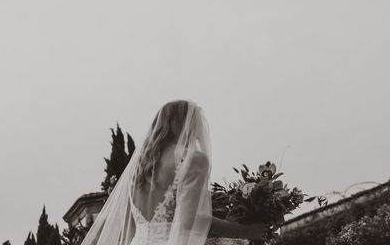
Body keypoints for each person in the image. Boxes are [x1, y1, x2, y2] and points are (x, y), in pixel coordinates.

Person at [81, 100, 267, 245]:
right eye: (195, 124)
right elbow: (189, 220)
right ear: (185, 125)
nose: (197, 131)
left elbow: (129, 227)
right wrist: (245, 231)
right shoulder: (193, 159)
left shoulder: (140, 165)